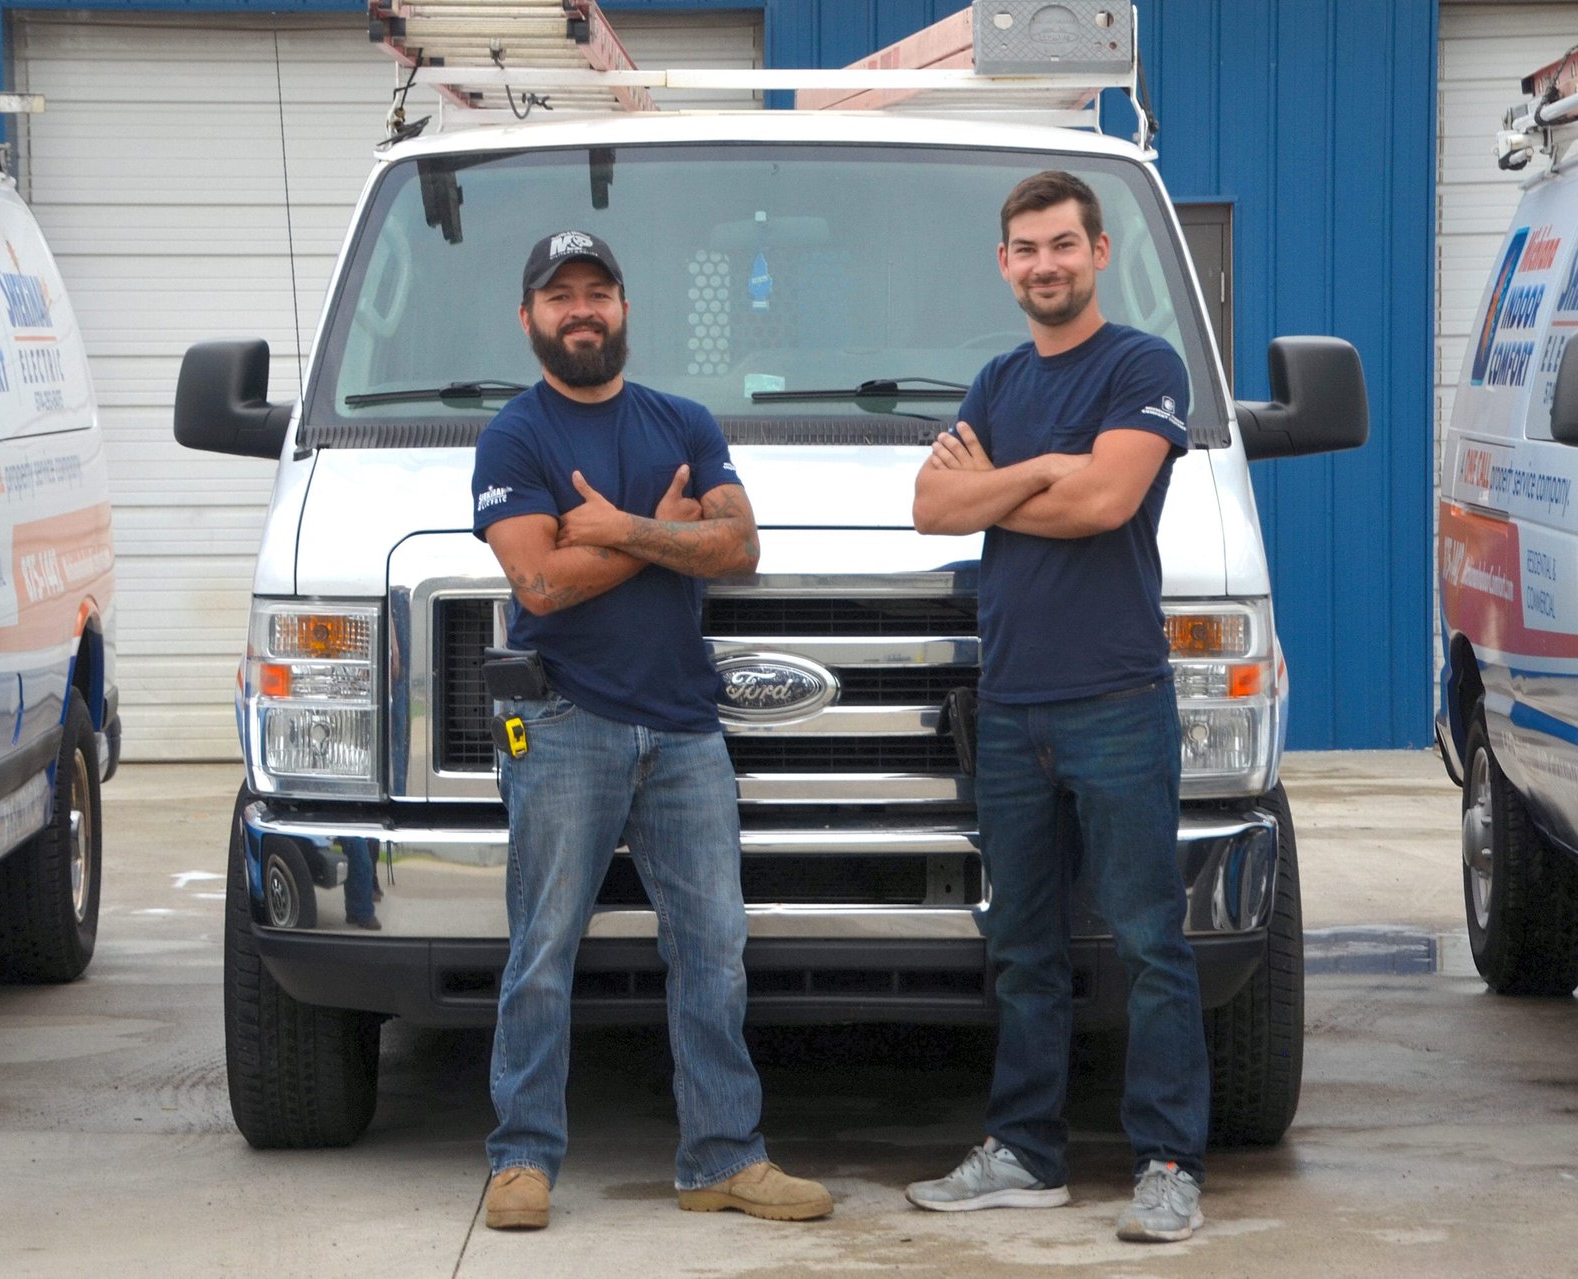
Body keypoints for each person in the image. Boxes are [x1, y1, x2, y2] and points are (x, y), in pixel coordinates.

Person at [470, 230, 833, 1231]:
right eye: (560, 296)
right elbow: (539, 581)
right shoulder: (513, 437)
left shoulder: (683, 421)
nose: (581, 310)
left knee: (714, 951)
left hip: (685, 731)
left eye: (598, 291)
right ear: (529, 317)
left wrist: (618, 528)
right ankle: (521, 1158)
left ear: (624, 308)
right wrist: (670, 535)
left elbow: (740, 546)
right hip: (562, 722)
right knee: (542, 949)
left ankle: (723, 1156)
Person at [905, 172, 1209, 1243]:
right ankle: (1024, 1153)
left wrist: (1003, 485)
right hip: (1010, 706)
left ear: (1098, 252)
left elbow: (1106, 500)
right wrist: (1042, 468)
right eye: (1026, 249)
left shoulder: (1143, 365)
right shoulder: (997, 381)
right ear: (1004, 264)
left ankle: (1167, 1163)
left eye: (1063, 245)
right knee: (1022, 945)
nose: (1045, 265)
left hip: (1115, 701)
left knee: (1149, 939)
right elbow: (930, 505)